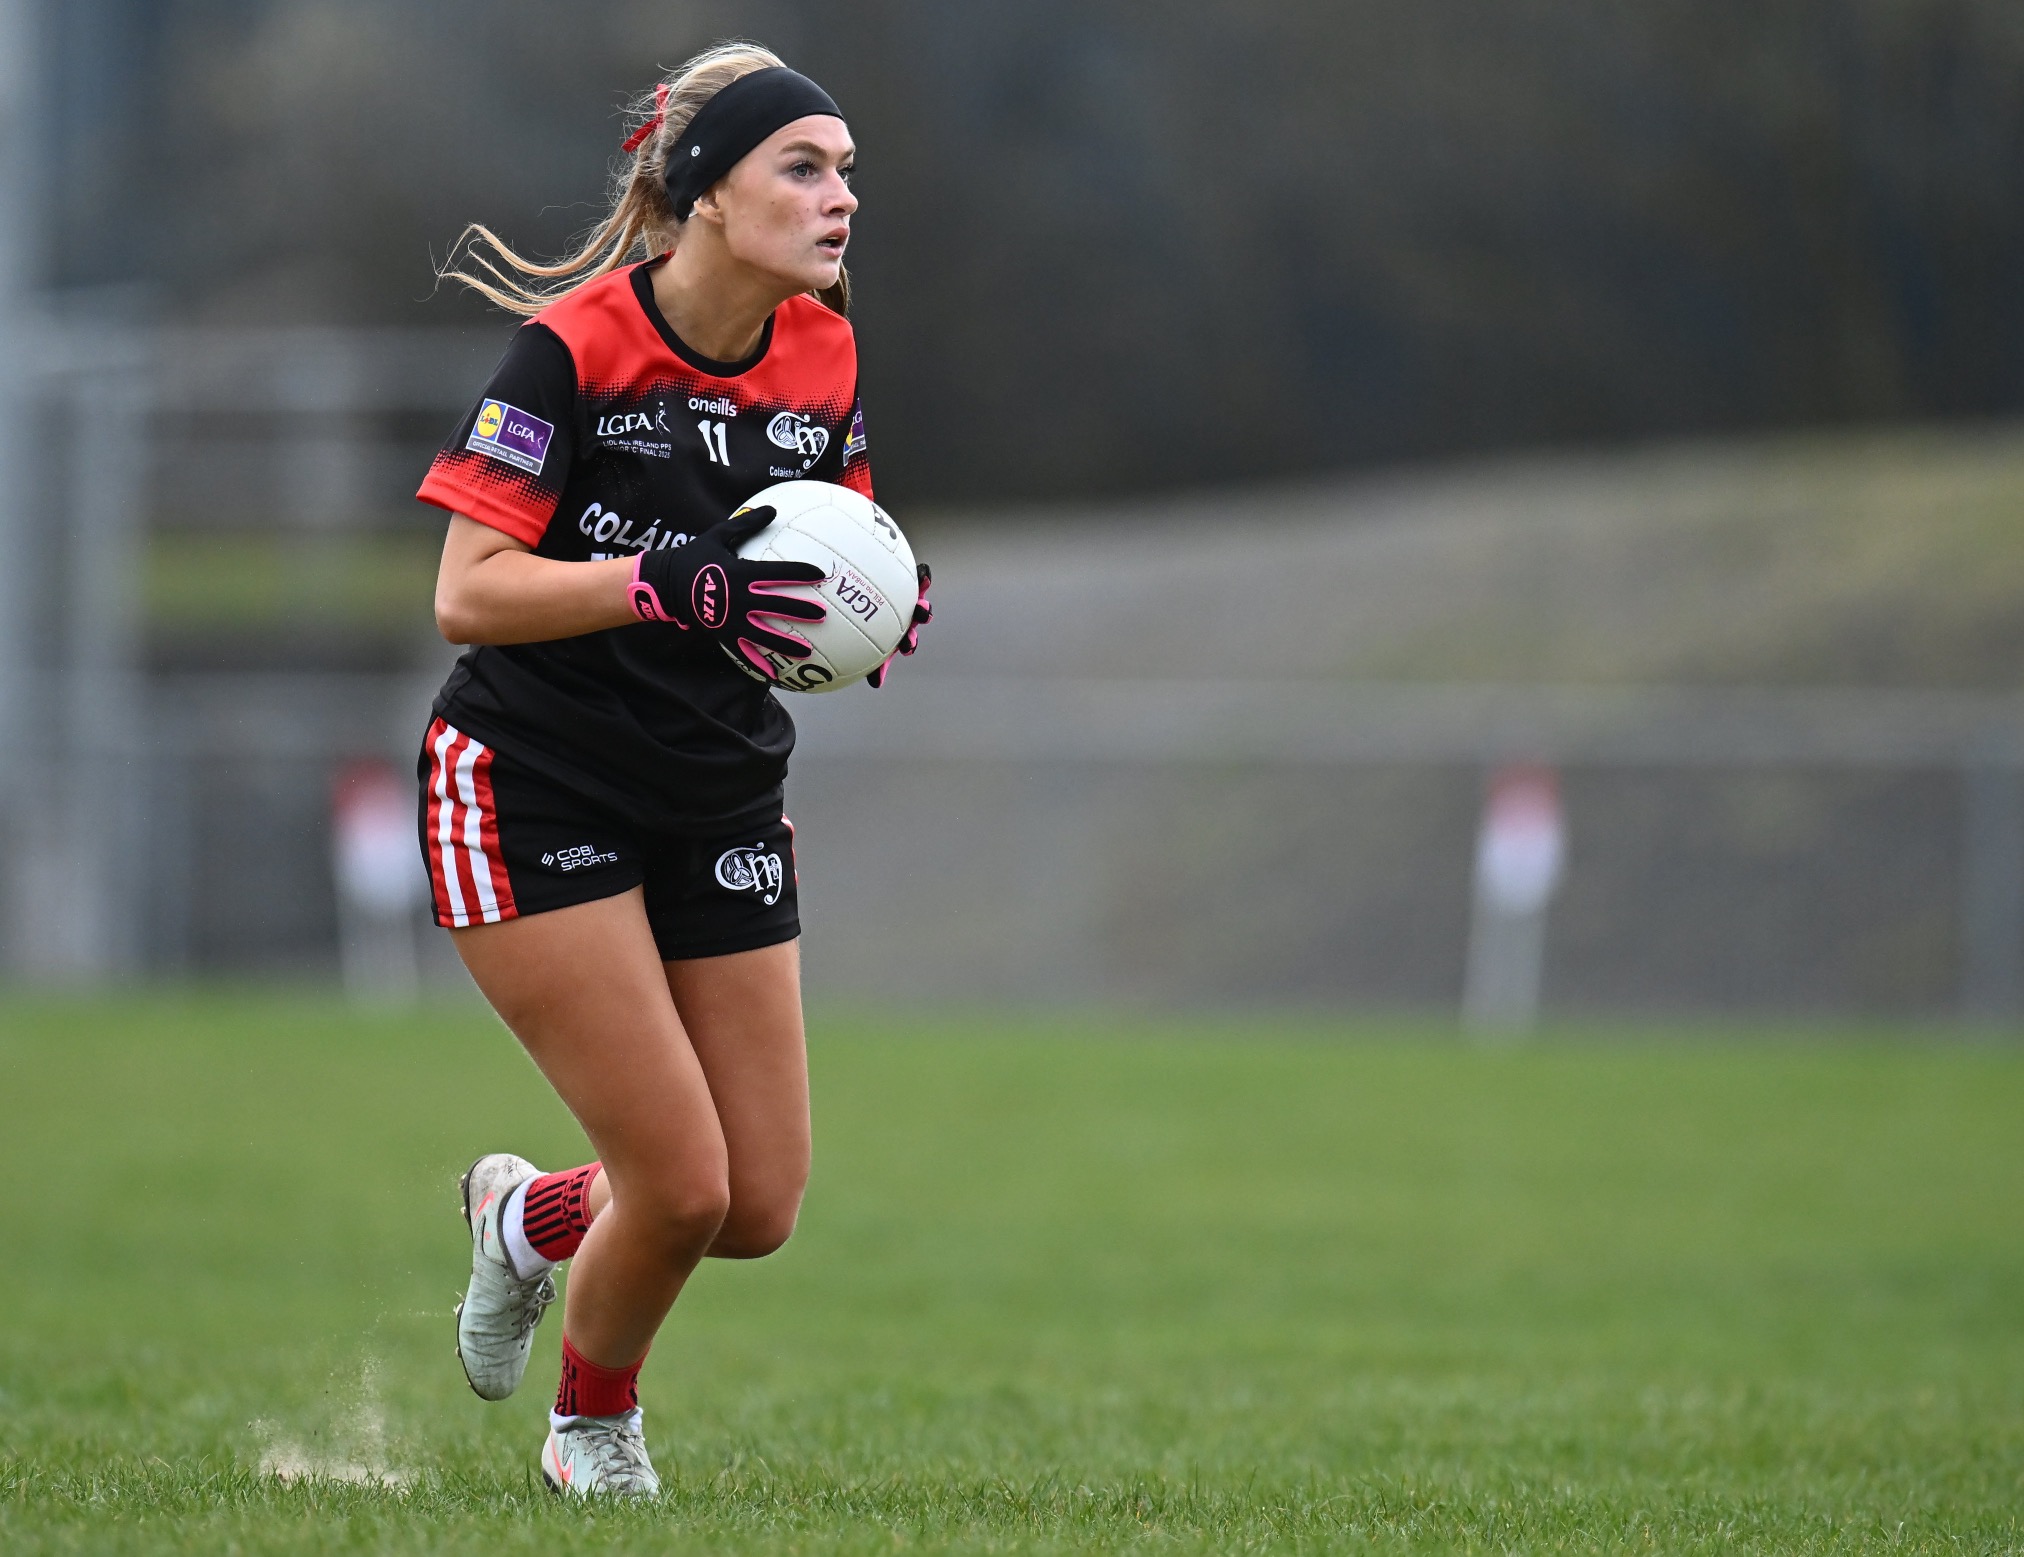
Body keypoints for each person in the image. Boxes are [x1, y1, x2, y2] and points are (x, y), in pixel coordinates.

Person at [412, 42, 931, 1499]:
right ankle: (591, 1432)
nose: (840, 199)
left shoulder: (823, 352)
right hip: (531, 787)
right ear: (704, 191)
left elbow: (824, 547)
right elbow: (468, 591)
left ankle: (524, 1220)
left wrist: (868, 612)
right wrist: (656, 583)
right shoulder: (572, 350)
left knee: (753, 1202)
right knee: (683, 1182)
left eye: (846, 173)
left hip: (715, 790)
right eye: (802, 169)